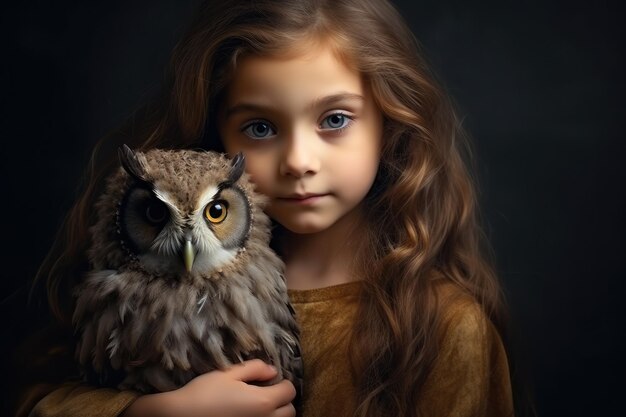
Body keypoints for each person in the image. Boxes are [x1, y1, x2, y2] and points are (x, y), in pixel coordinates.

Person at [13, 0, 516, 416]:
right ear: (219, 136)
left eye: (335, 119)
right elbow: (39, 401)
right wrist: (148, 414)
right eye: (260, 128)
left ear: (391, 119)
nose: (299, 161)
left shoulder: (441, 325)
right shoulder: (154, 264)